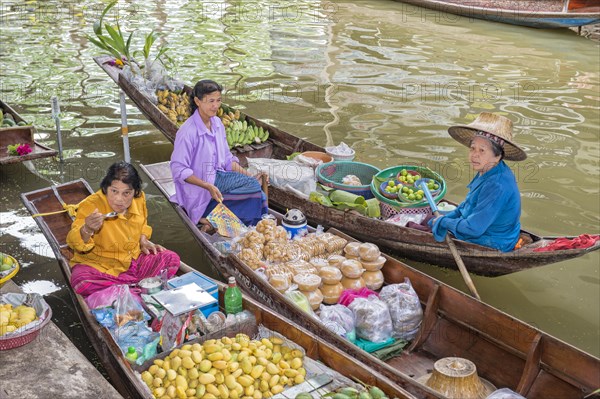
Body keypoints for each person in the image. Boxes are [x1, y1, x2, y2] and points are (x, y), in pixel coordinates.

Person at [67, 162, 180, 299]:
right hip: (100, 264)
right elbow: (73, 241)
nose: (119, 199)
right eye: (114, 191)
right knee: (82, 280)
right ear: (106, 188)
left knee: (171, 258)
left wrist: (143, 240)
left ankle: (126, 290)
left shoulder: (139, 199)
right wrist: (87, 229)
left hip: (133, 258)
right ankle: (138, 288)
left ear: (135, 191)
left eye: (127, 193)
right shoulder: (91, 205)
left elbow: (143, 222)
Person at [170, 79, 268, 230]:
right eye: (210, 101)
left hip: (217, 176)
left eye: (218, 100)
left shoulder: (217, 124)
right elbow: (179, 169)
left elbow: (228, 159)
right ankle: (208, 214)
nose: (215, 106)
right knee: (253, 189)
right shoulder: (187, 132)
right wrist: (206, 185)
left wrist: (248, 175)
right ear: (197, 101)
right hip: (198, 186)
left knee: (258, 193)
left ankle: (246, 224)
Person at [428, 112, 527, 252]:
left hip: (495, 242)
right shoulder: (487, 169)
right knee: (429, 220)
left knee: (423, 225)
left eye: (482, 150)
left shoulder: (497, 184)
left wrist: (443, 222)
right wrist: (447, 218)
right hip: (486, 229)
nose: (475, 155)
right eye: (472, 148)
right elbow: (467, 205)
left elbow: (473, 229)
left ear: (497, 156)